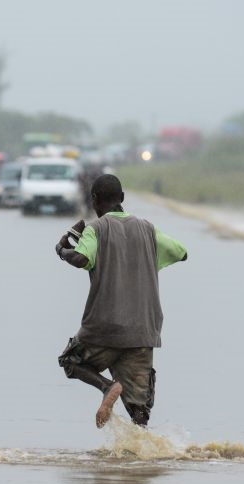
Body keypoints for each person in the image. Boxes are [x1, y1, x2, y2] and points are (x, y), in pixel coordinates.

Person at [55, 174, 187, 428]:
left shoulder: (96, 228)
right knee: (139, 411)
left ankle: (107, 386)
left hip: (103, 329)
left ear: (94, 200)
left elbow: (82, 259)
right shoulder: (148, 228)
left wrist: (62, 250)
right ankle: (138, 461)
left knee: (70, 361)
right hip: (143, 331)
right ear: (123, 199)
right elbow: (181, 253)